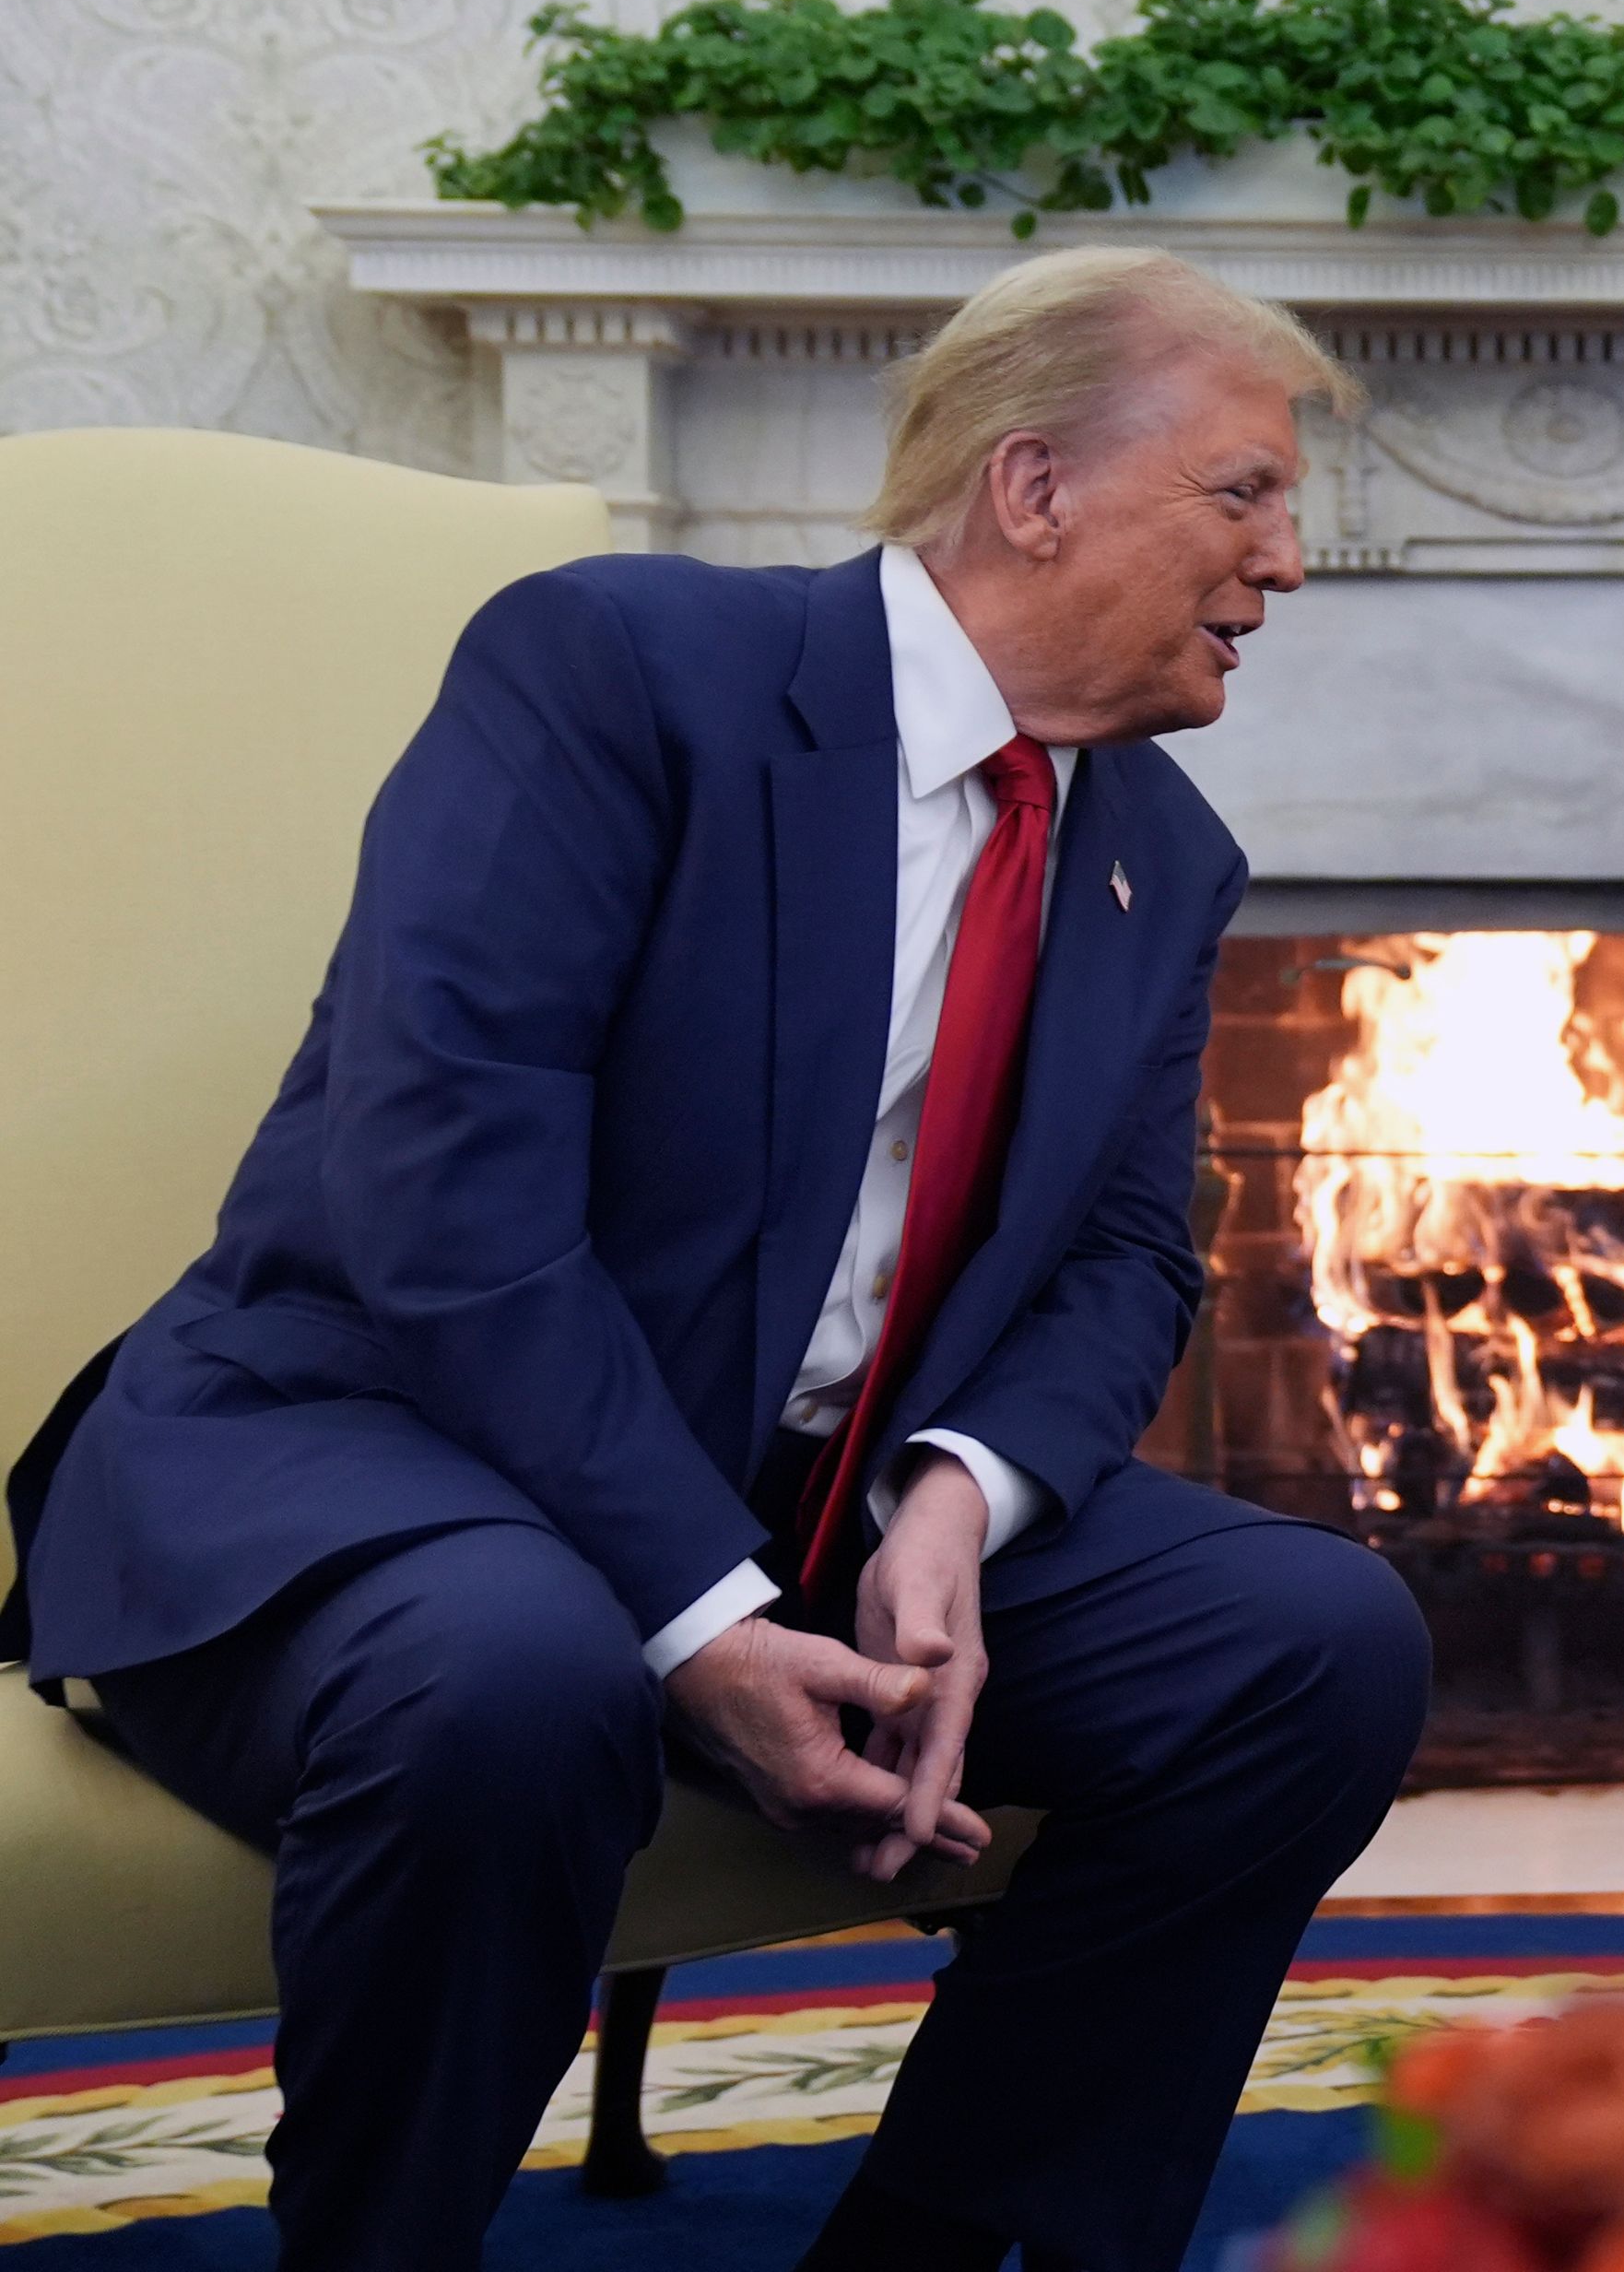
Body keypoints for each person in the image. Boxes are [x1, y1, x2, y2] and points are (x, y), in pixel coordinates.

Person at [5, 247, 1430, 2272]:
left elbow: (1126, 1255)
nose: (1289, 562)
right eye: (1244, 492)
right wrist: (704, 1611)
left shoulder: (1156, 849)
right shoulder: (617, 669)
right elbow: (444, 1184)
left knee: (1312, 1646)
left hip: (809, 1493)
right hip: (373, 1450)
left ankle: (943, 2244)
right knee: (519, 1669)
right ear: (1032, 486)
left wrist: (958, 1496)